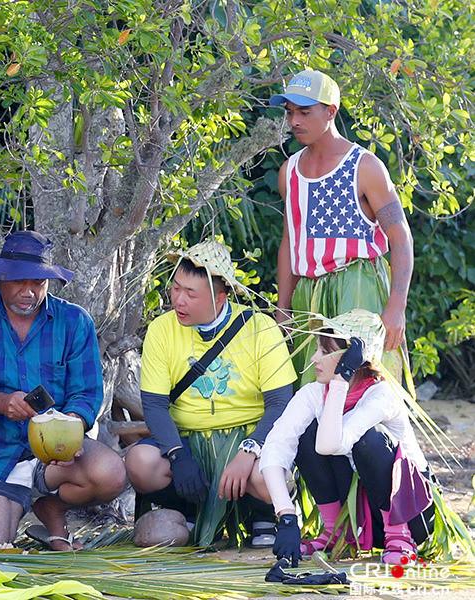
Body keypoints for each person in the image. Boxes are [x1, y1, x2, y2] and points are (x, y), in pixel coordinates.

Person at [0, 231, 126, 551]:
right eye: (19, 281)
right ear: (0, 279)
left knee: (110, 473)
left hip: (53, 460)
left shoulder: (74, 321)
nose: (29, 291)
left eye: (38, 283)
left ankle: (52, 509)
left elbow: (87, 392)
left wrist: (71, 430)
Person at [124, 240, 296, 547]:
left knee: (267, 478)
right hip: (190, 440)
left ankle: (261, 514)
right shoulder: (162, 329)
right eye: (176, 288)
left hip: (248, 440)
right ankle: (191, 510)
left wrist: (250, 449)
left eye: (191, 294)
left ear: (221, 296)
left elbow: (280, 402)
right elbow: (154, 403)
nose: (179, 300)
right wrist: (178, 456)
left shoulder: (261, 328)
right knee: (139, 461)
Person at [270, 69, 414, 389]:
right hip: (308, 294)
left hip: (358, 287)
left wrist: (396, 307)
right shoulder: (289, 172)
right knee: (312, 389)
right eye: (290, 112)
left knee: (363, 385)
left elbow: (400, 236)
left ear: (331, 112)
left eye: (304, 112)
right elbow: (290, 240)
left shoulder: (365, 166)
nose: (294, 120)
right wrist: (284, 305)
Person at [261, 309, 433, 566]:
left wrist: (341, 381)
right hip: (359, 515)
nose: (314, 358)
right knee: (306, 433)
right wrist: (286, 514)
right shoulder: (313, 393)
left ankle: (400, 536)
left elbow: (332, 443)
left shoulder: (381, 395)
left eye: (324, 350)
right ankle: (336, 532)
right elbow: (276, 446)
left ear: (351, 360)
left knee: (370, 440)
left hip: (411, 512)